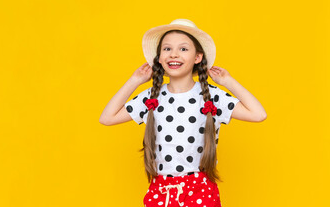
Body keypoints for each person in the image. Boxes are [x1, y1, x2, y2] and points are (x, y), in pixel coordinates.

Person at [99, 19, 267, 207]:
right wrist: (134, 81)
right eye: (167, 49)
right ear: (159, 58)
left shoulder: (211, 96)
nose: (174, 54)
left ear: (198, 57)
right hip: (161, 192)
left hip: (200, 191)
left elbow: (258, 114)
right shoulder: (152, 97)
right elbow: (107, 117)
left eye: (184, 49)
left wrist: (228, 81)